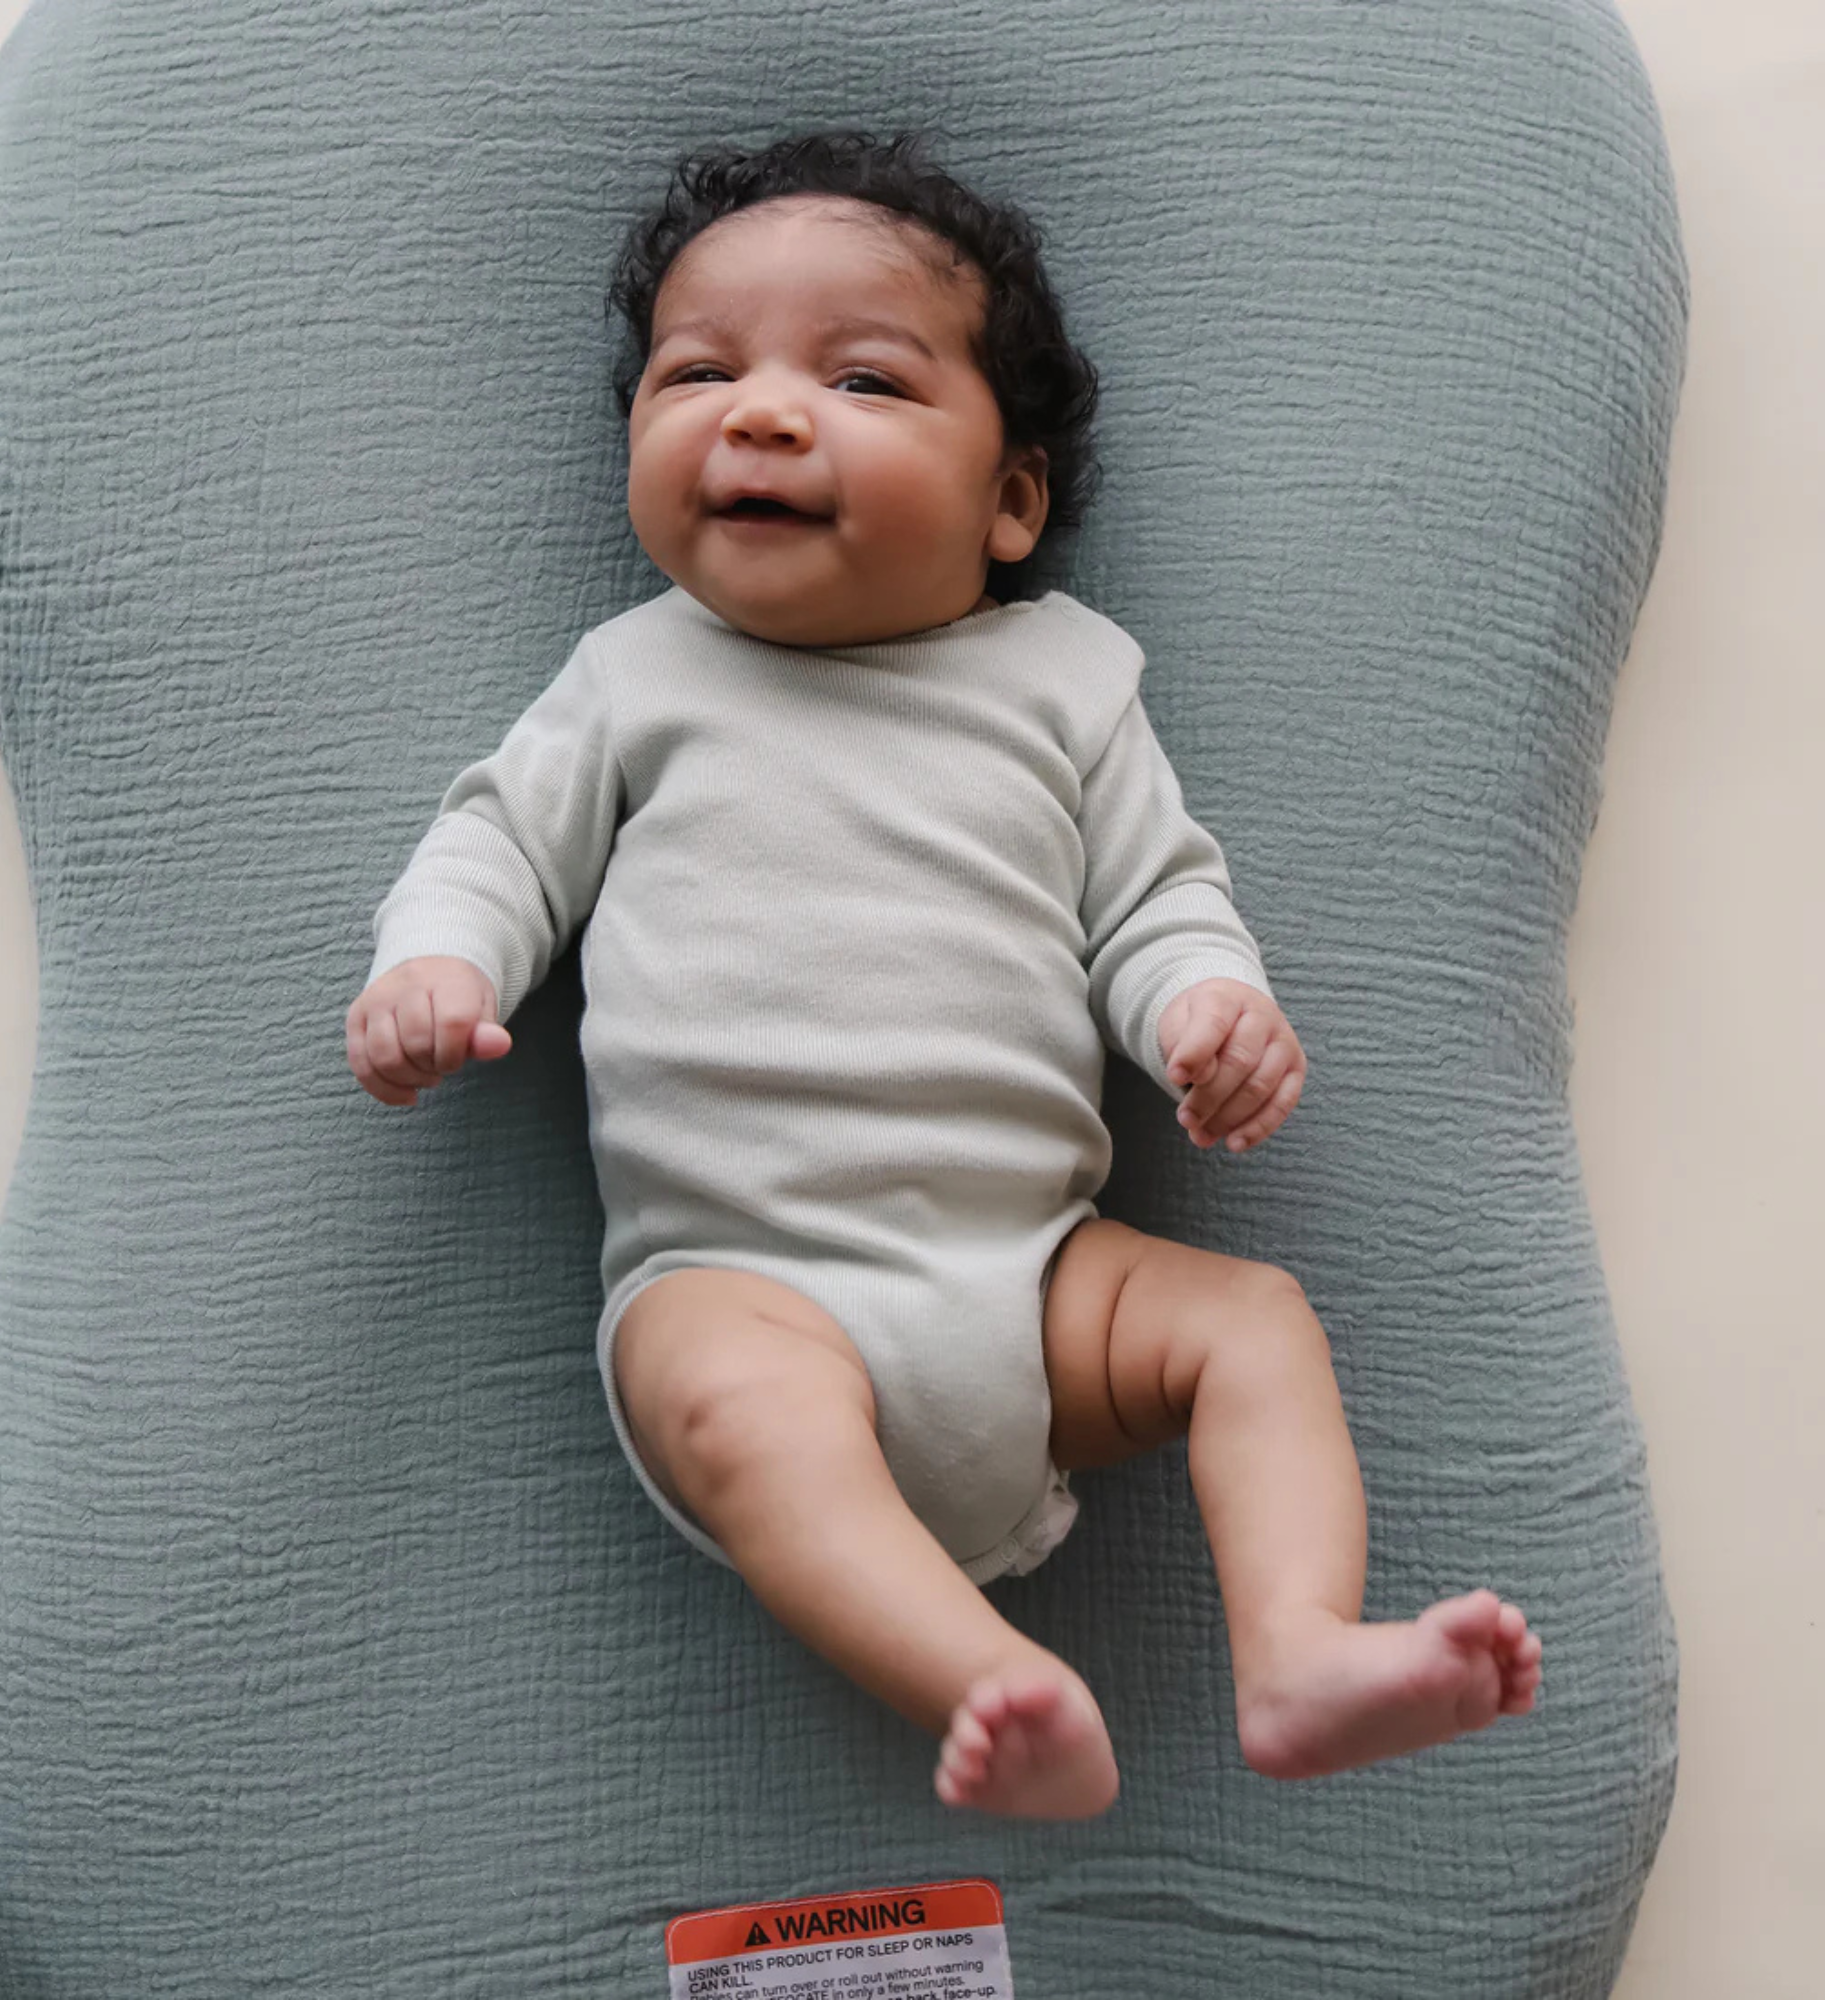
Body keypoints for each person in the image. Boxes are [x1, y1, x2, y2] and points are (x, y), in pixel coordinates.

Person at [344, 130, 1542, 1819]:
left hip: (1035, 1281)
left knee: (1252, 1322)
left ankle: (1297, 1648)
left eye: (861, 380)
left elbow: (1157, 900)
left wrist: (1205, 1009)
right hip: (738, 1274)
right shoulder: (635, 679)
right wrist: (434, 963)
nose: (764, 414)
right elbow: (494, 845)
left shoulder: (1066, 686)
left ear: (1010, 503)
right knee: (744, 1408)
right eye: (699, 374)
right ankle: (985, 1679)